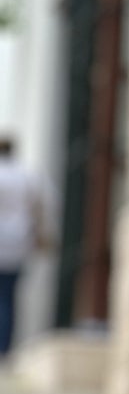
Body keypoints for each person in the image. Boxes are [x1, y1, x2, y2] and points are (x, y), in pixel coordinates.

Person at [0, 135, 53, 358]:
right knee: (8, 297)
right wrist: (42, 237)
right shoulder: (27, 175)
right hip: (17, 243)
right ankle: (4, 347)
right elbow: (38, 208)